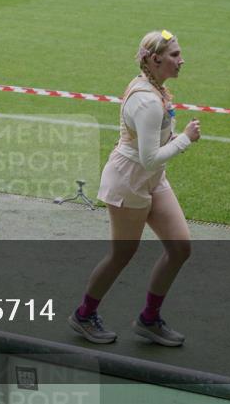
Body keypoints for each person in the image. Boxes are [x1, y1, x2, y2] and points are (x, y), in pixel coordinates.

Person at [69, 30, 201, 346]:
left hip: (151, 179)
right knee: (123, 253)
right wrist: (185, 139)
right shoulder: (147, 102)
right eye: (174, 55)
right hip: (130, 181)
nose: (181, 59)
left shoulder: (153, 87)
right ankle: (84, 315)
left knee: (180, 248)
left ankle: (149, 320)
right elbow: (150, 157)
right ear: (155, 61)